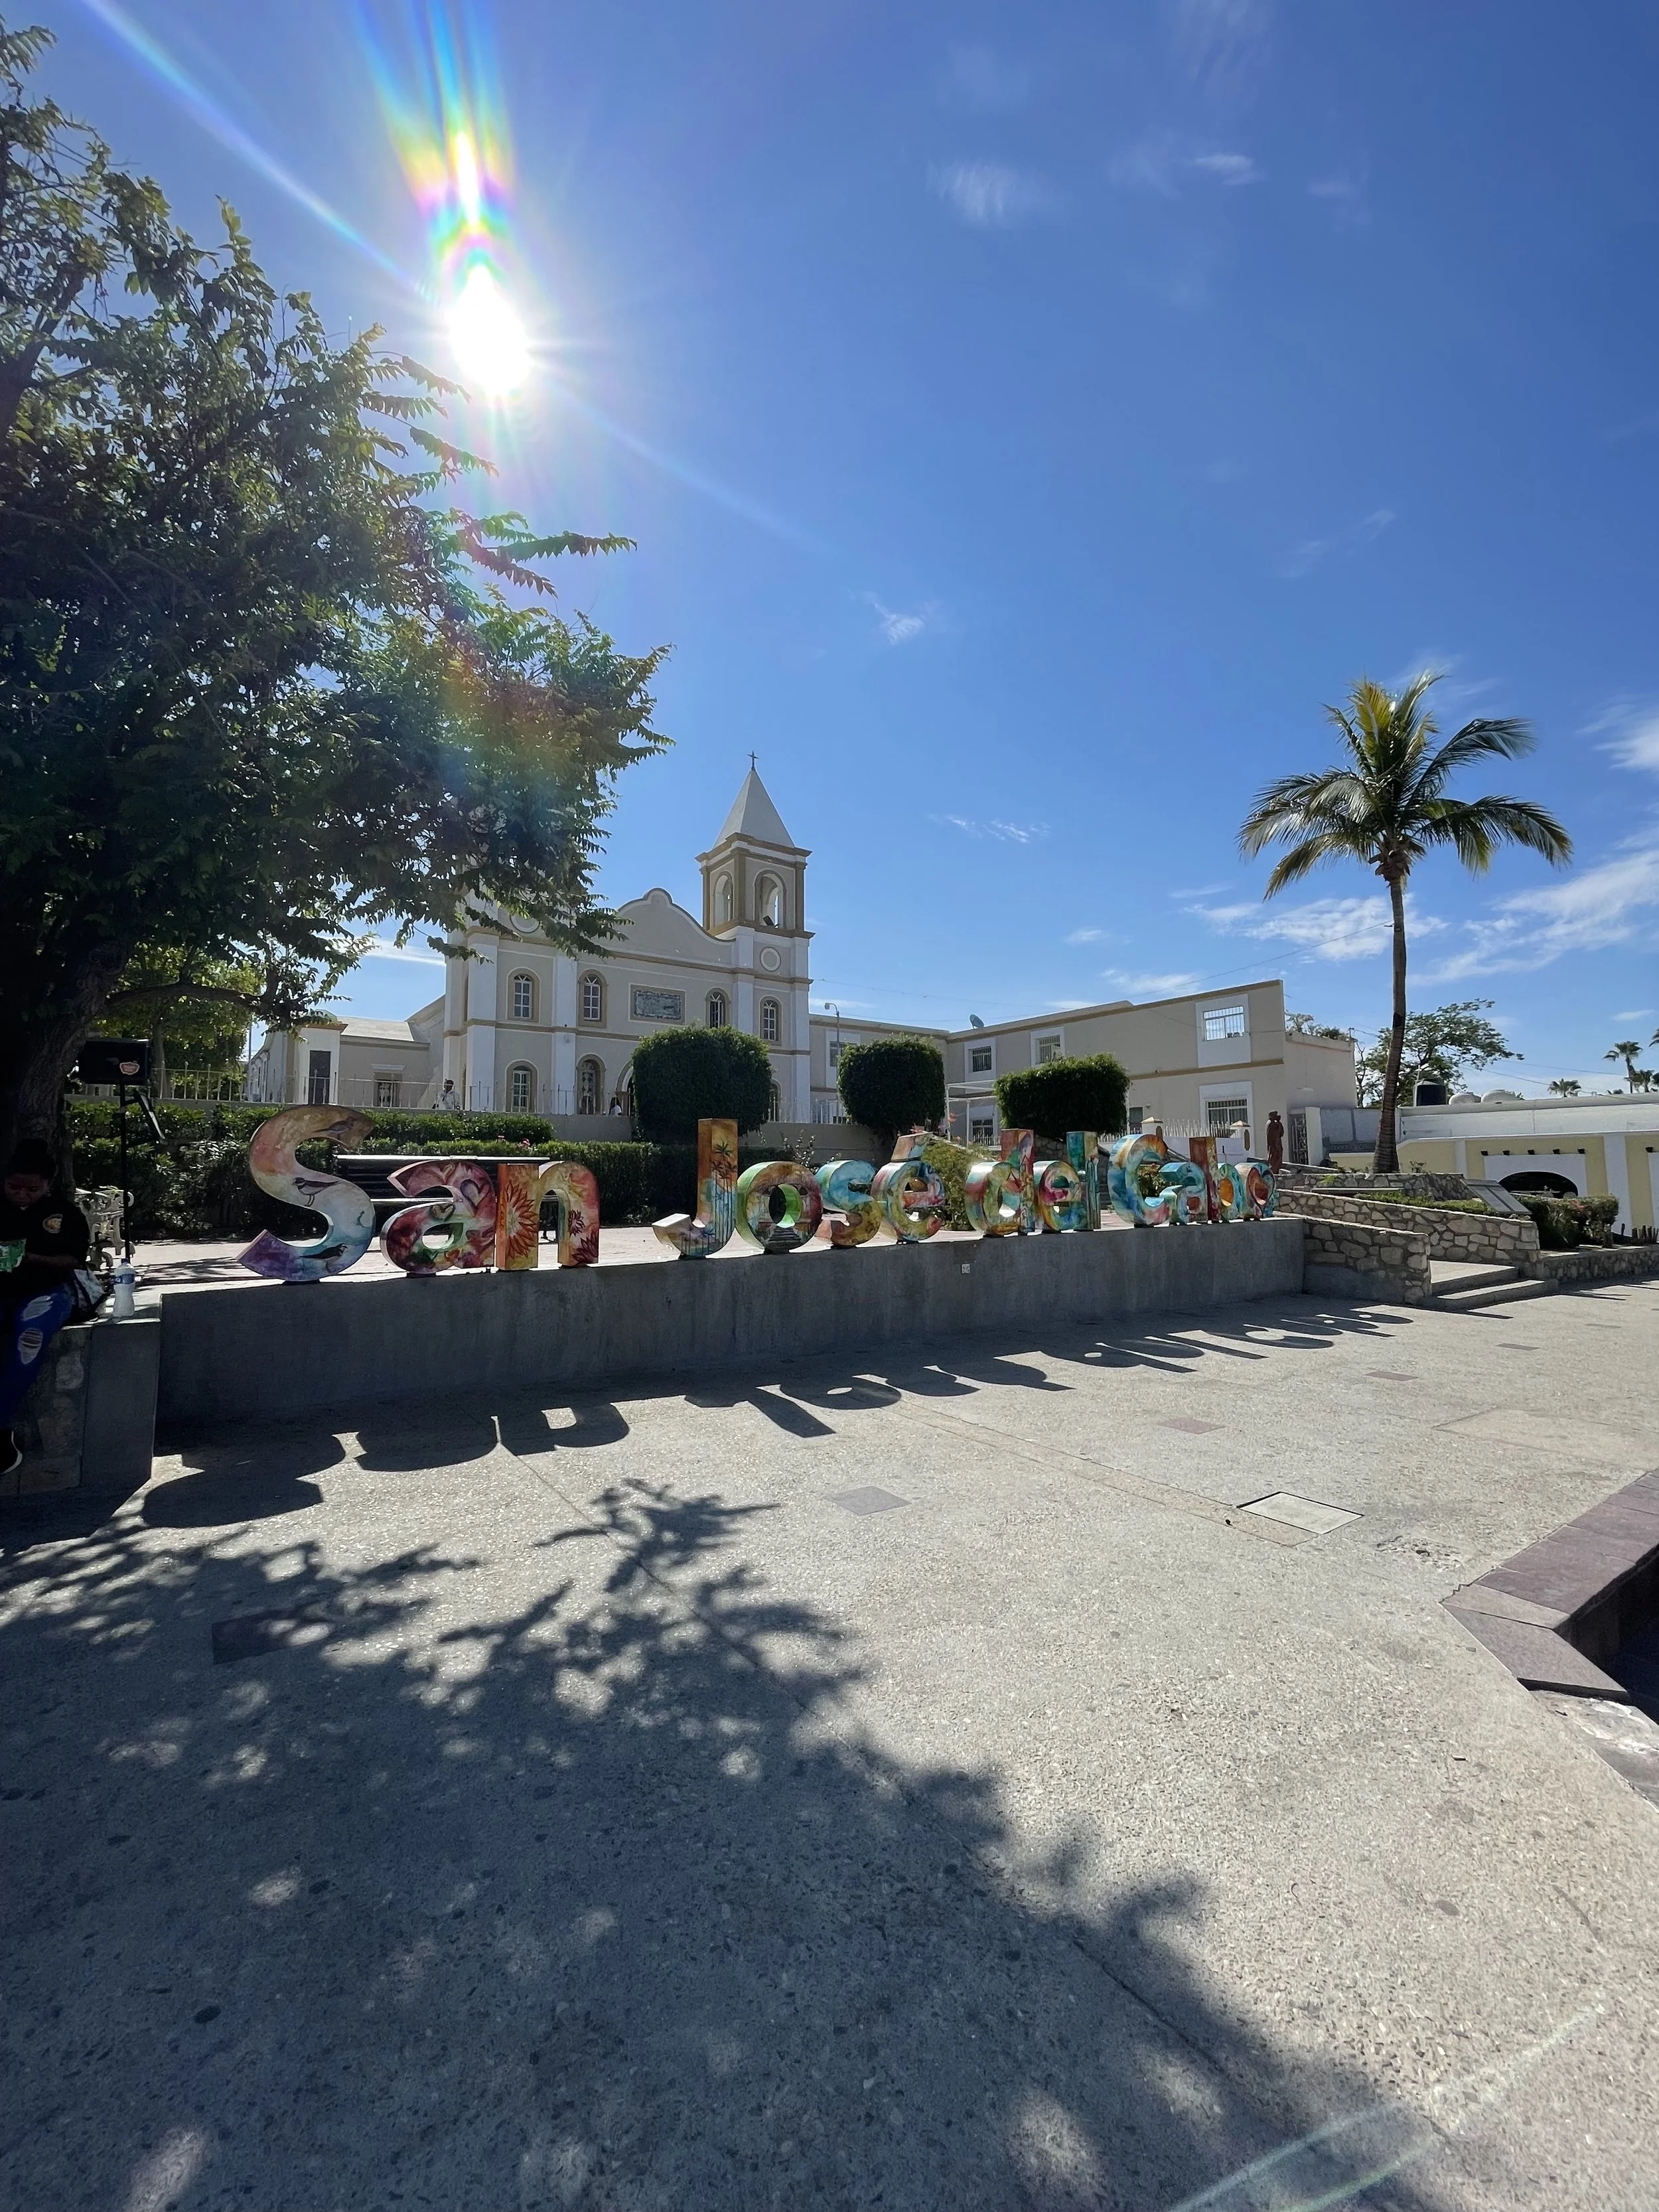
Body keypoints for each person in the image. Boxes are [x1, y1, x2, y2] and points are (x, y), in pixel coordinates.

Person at [0, 1140, 92, 1476]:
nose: (22, 1195)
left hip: (49, 1291)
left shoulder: (65, 1214)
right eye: (15, 1187)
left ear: (48, 1186)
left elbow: (73, 1260)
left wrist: (30, 1259)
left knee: (30, 1338)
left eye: (32, 1189)